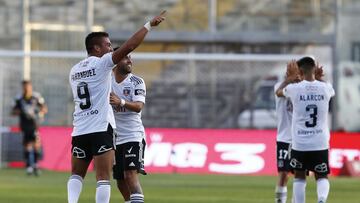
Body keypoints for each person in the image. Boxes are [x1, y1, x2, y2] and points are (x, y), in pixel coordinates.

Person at [67, 11, 165, 203]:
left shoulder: (75, 70)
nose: (111, 48)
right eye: (108, 45)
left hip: (79, 128)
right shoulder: (103, 64)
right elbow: (130, 45)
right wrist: (148, 25)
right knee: (104, 178)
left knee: (76, 175)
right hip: (101, 128)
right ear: (96, 48)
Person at [275, 57, 335, 203]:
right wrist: (319, 79)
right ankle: (321, 199)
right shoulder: (326, 87)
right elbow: (330, 90)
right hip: (320, 142)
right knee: (321, 176)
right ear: (314, 70)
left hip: (300, 143)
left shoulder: (294, 89)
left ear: (300, 71)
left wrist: (289, 79)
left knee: (299, 176)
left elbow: (278, 92)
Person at [110, 54, 147, 203]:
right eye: (125, 58)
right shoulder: (107, 81)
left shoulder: (137, 82)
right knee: (120, 180)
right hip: (114, 137)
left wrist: (121, 102)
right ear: (116, 62)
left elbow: (139, 106)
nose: (130, 61)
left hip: (133, 135)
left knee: (130, 175)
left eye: (130, 58)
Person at [11, 80, 48, 176]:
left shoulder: (36, 97)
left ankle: (35, 165)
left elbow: (44, 108)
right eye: (24, 87)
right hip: (24, 125)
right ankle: (29, 167)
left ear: (31, 87)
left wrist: (39, 113)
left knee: (36, 145)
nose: (26, 89)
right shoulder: (19, 98)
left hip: (34, 124)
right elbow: (13, 111)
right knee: (27, 145)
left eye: (28, 86)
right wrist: (21, 112)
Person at [274, 74, 295, 203]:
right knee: (284, 174)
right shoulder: (279, 86)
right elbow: (279, 93)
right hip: (284, 138)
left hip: (300, 138)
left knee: (301, 174)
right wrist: (288, 80)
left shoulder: (302, 89)